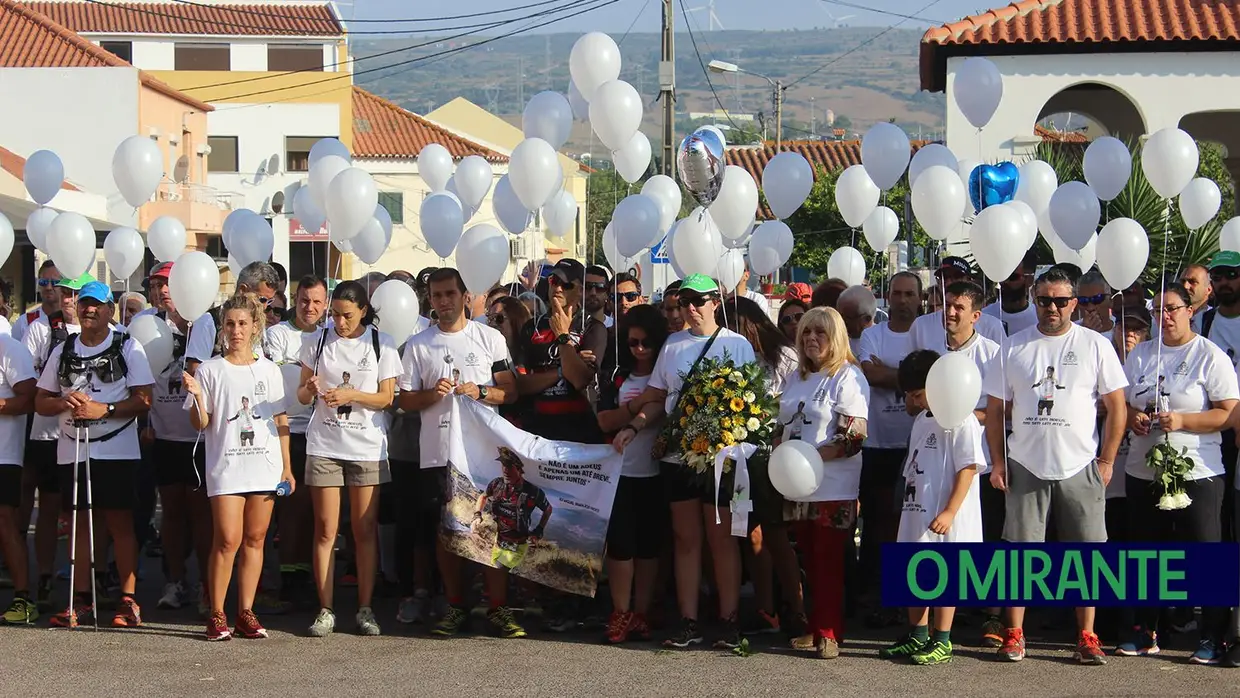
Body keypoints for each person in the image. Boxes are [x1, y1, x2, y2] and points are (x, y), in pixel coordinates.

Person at [984, 267, 1127, 665]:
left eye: (1061, 301)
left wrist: (1107, 460)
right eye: (1044, 300)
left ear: (1074, 303)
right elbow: (995, 411)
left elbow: (1117, 407)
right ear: (1034, 299)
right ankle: (1014, 633)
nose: (1052, 308)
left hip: (1080, 464)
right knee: (1019, 556)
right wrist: (998, 461)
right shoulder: (1013, 346)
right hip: (1026, 463)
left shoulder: (1095, 344)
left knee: (1086, 557)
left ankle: (1087, 635)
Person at [612, 274, 757, 650]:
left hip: (721, 457)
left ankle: (728, 622)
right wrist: (634, 425)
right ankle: (688, 621)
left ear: (715, 302)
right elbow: (657, 396)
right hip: (679, 456)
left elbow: (753, 398)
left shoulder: (737, 344)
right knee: (685, 539)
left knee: (721, 540)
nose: (691, 308)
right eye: (685, 301)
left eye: (699, 300)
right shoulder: (673, 346)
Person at [1119, 283, 1237, 664]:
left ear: (1190, 310)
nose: (1164, 317)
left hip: (1198, 470)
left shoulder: (1209, 355)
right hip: (1143, 469)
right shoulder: (1140, 355)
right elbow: (1122, 401)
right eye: (1158, 311)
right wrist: (1133, 419)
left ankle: (1212, 636)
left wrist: (1183, 420)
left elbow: (1228, 414)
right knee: (1145, 554)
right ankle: (1145, 629)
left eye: (1172, 309)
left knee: (1205, 556)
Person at [400, 268, 518, 638]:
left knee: (490, 530)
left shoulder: (490, 338)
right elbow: (404, 400)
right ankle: (455, 606)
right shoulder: (419, 344)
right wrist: (433, 394)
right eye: (436, 296)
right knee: (447, 532)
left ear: (466, 296)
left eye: (450, 293)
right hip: (438, 454)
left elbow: (510, 392)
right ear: (429, 300)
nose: (443, 302)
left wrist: (480, 392)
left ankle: (498, 609)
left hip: (483, 454)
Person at [35, 281, 154, 628]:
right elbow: (41, 400)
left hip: (116, 449)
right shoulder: (64, 348)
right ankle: (81, 600)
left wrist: (105, 409)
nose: (89, 310)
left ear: (109, 311)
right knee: (78, 525)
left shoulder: (128, 345)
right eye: (84, 303)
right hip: (72, 448)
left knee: (119, 524)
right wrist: (63, 402)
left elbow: (144, 399)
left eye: (97, 305)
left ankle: (128, 600)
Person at [183, 293, 295, 641]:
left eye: (243, 323)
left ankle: (246, 611)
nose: (236, 330)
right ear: (222, 328)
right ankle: (217, 613)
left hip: (264, 465)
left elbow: (280, 420)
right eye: (230, 323)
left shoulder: (269, 370)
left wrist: (287, 467)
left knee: (256, 538)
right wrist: (198, 398)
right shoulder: (211, 370)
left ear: (255, 327)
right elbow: (200, 423)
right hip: (226, 465)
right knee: (227, 539)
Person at [296, 280, 402, 638]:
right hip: (324, 445)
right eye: (336, 315)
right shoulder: (317, 340)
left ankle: (365, 607)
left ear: (364, 312)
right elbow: (300, 394)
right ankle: (325, 608)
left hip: (366, 447)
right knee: (325, 529)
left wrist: (352, 394)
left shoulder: (380, 343)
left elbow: (387, 397)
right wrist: (309, 389)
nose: (340, 322)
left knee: (364, 530)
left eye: (347, 316)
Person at [879, 349, 985, 666]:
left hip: (945, 514)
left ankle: (943, 639)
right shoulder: (922, 421)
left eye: (918, 394)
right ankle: (918, 634)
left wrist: (950, 511)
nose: (916, 401)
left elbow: (968, 468)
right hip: (916, 510)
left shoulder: (962, 420)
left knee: (944, 575)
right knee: (914, 572)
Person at [776, 306, 869, 659]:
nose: (812, 339)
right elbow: (782, 425)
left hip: (833, 486)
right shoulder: (796, 377)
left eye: (821, 333)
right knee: (809, 560)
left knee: (829, 560)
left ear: (837, 338)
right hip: (795, 484)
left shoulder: (848, 376)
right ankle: (816, 627)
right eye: (806, 333)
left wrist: (812, 457)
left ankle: (830, 632)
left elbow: (855, 436)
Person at [721, 297, 803, 637]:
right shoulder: (729, 354)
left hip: (774, 454)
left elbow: (795, 401)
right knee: (749, 533)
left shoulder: (784, 357)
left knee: (776, 533)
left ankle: (796, 610)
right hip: (740, 457)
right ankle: (765, 608)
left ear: (750, 324)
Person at [596, 304, 668, 643]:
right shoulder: (616, 376)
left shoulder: (666, 373)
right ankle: (620, 611)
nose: (639, 349)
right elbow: (604, 421)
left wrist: (643, 414)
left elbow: (665, 409)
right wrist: (637, 406)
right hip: (619, 474)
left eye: (646, 343)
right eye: (632, 342)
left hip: (655, 473)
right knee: (620, 547)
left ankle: (641, 612)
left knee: (649, 548)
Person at [143, 262, 212, 616]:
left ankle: (205, 584)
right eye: (156, 285)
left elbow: (197, 368)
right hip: (164, 433)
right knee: (171, 511)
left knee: (200, 514)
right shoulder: (146, 323)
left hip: (196, 434)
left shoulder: (203, 320)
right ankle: (175, 580)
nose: (163, 290)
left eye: (168, 283)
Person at [856, 271, 920, 623]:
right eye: (897, 293)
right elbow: (870, 374)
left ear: (920, 297)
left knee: (910, 523)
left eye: (910, 294)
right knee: (878, 523)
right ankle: (876, 594)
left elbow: (930, 377)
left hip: (918, 444)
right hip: (878, 444)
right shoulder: (872, 333)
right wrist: (911, 375)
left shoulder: (926, 331)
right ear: (887, 297)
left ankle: (905, 596)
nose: (903, 300)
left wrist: (890, 372)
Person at [264, 273, 329, 610]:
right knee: (289, 507)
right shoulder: (276, 335)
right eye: (305, 300)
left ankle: (305, 575)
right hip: (284, 431)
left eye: (318, 302)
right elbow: (280, 381)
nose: (310, 308)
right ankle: (287, 578)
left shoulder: (331, 335)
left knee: (312, 511)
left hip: (322, 433)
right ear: (295, 298)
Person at [16, 266, 74, 611]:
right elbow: (28, 379)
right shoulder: (36, 326)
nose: (53, 291)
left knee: (64, 508)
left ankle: (61, 577)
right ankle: (32, 572)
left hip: (71, 432)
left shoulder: (91, 326)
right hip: (37, 430)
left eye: (60, 285)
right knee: (33, 504)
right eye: (46, 284)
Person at [515, 258, 606, 445]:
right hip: (537, 433)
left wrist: (562, 336)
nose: (558, 288)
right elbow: (521, 385)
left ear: (580, 290)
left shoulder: (593, 328)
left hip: (579, 434)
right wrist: (561, 370)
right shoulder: (531, 327)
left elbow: (579, 379)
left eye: (566, 285)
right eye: (553, 282)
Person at [468, 446, 551, 638]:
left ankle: (531, 604)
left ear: (519, 469)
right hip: (500, 539)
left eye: (509, 466)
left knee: (525, 573)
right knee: (496, 565)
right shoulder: (496, 484)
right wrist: (477, 515)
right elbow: (483, 496)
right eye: (503, 466)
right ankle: (497, 612)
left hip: (521, 541)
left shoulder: (532, 491)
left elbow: (547, 509)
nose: (505, 470)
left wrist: (539, 530)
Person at [0, 333, 39, 623]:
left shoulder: (9, 348)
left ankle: (23, 599)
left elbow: (31, 399)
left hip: (4, 454)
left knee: (5, 522)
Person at [186, 262, 280, 373]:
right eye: (262, 299)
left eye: (269, 301)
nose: (264, 306)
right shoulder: (209, 321)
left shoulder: (257, 322)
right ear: (242, 289)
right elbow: (194, 371)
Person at [1204, 250, 1240, 538]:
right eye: (1218, 276)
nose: (1225, 282)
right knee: (1218, 506)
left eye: (1232, 275)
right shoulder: (1203, 322)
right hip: (1214, 424)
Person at [914, 258, 1006, 346]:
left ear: (969, 281)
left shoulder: (992, 326)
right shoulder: (921, 326)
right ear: (938, 282)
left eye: (957, 276)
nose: (949, 282)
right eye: (945, 277)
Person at [982, 252, 1038, 335]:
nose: (1005, 282)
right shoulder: (984, 316)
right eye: (1002, 277)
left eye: (1013, 277)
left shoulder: (1039, 318)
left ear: (1029, 280)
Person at [12, 259, 60, 343]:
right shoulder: (24, 322)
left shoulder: (72, 321)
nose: (48, 287)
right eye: (43, 282)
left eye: (55, 282)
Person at [837, 286, 877, 356]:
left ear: (867, 319)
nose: (841, 321)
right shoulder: (835, 342)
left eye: (846, 318)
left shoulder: (883, 344)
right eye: (838, 315)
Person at [1076, 270, 1115, 334]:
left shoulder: (1123, 330)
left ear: (1110, 301)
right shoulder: (1072, 332)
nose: (1090, 307)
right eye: (1083, 300)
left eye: (1097, 299)